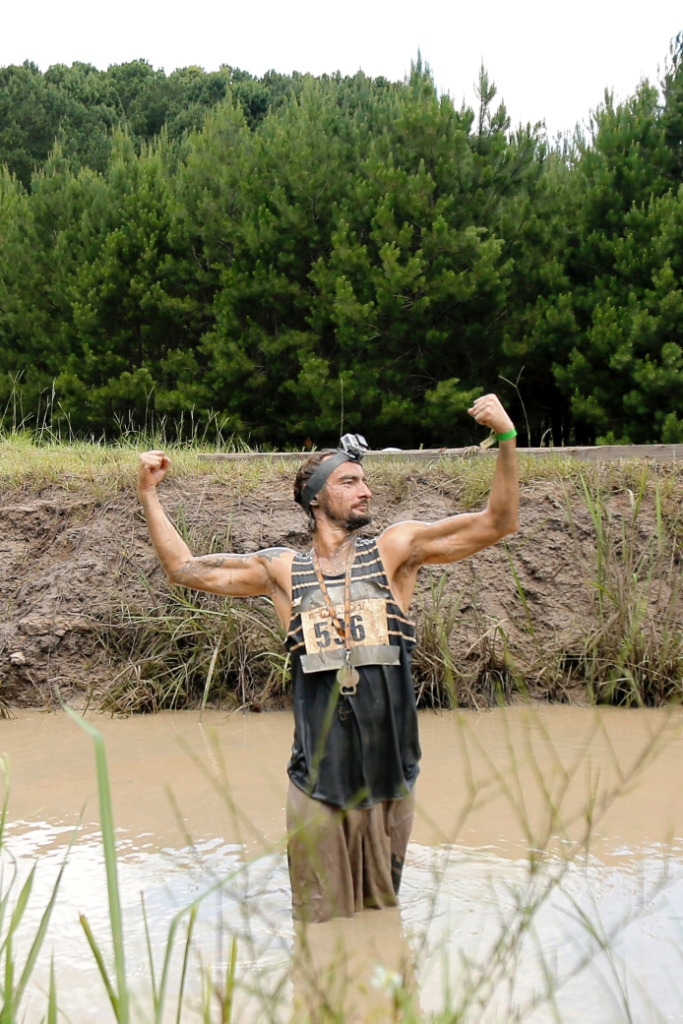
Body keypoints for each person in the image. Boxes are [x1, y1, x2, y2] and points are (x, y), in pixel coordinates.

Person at [136, 394, 519, 923]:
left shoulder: (395, 550)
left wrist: (506, 439)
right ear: (316, 499)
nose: (366, 490)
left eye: (365, 481)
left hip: (391, 780)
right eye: (349, 481)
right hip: (319, 785)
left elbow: (498, 522)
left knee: (382, 918)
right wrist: (149, 493)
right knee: (318, 925)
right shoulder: (281, 571)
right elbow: (184, 569)